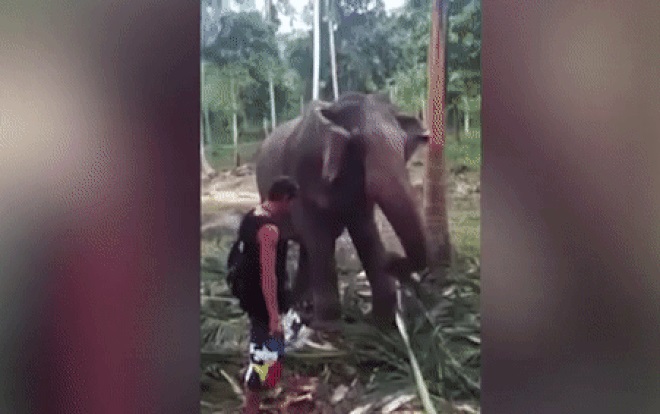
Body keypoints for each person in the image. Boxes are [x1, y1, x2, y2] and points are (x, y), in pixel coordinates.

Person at [238, 176, 299, 414]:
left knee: (273, 353)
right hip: (264, 302)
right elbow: (268, 275)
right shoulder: (269, 230)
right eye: (292, 202)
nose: (292, 207)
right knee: (264, 355)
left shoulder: (252, 215)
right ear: (285, 199)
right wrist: (274, 316)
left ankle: (264, 387)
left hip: (253, 297)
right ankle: (251, 405)